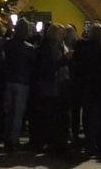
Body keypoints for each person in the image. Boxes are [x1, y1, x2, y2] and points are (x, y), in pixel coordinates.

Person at [31, 24, 70, 155]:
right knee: (49, 113)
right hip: (49, 84)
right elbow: (49, 66)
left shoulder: (55, 46)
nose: (62, 36)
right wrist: (64, 59)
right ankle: (48, 141)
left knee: (52, 113)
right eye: (60, 33)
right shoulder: (48, 47)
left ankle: (50, 141)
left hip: (55, 84)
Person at [74, 22, 101, 156]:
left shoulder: (82, 46)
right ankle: (99, 143)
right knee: (99, 117)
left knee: (88, 116)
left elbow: (77, 66)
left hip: (85, 87)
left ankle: (89, 143)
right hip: (99, 87)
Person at [2, 18, 37, 153]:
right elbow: (33, 65)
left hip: (10, 80)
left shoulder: (8, 44)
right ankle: (13, 140)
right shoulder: (28, 48)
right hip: (22, 82)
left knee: (9, 112)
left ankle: (6, 138)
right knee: (17, 113)